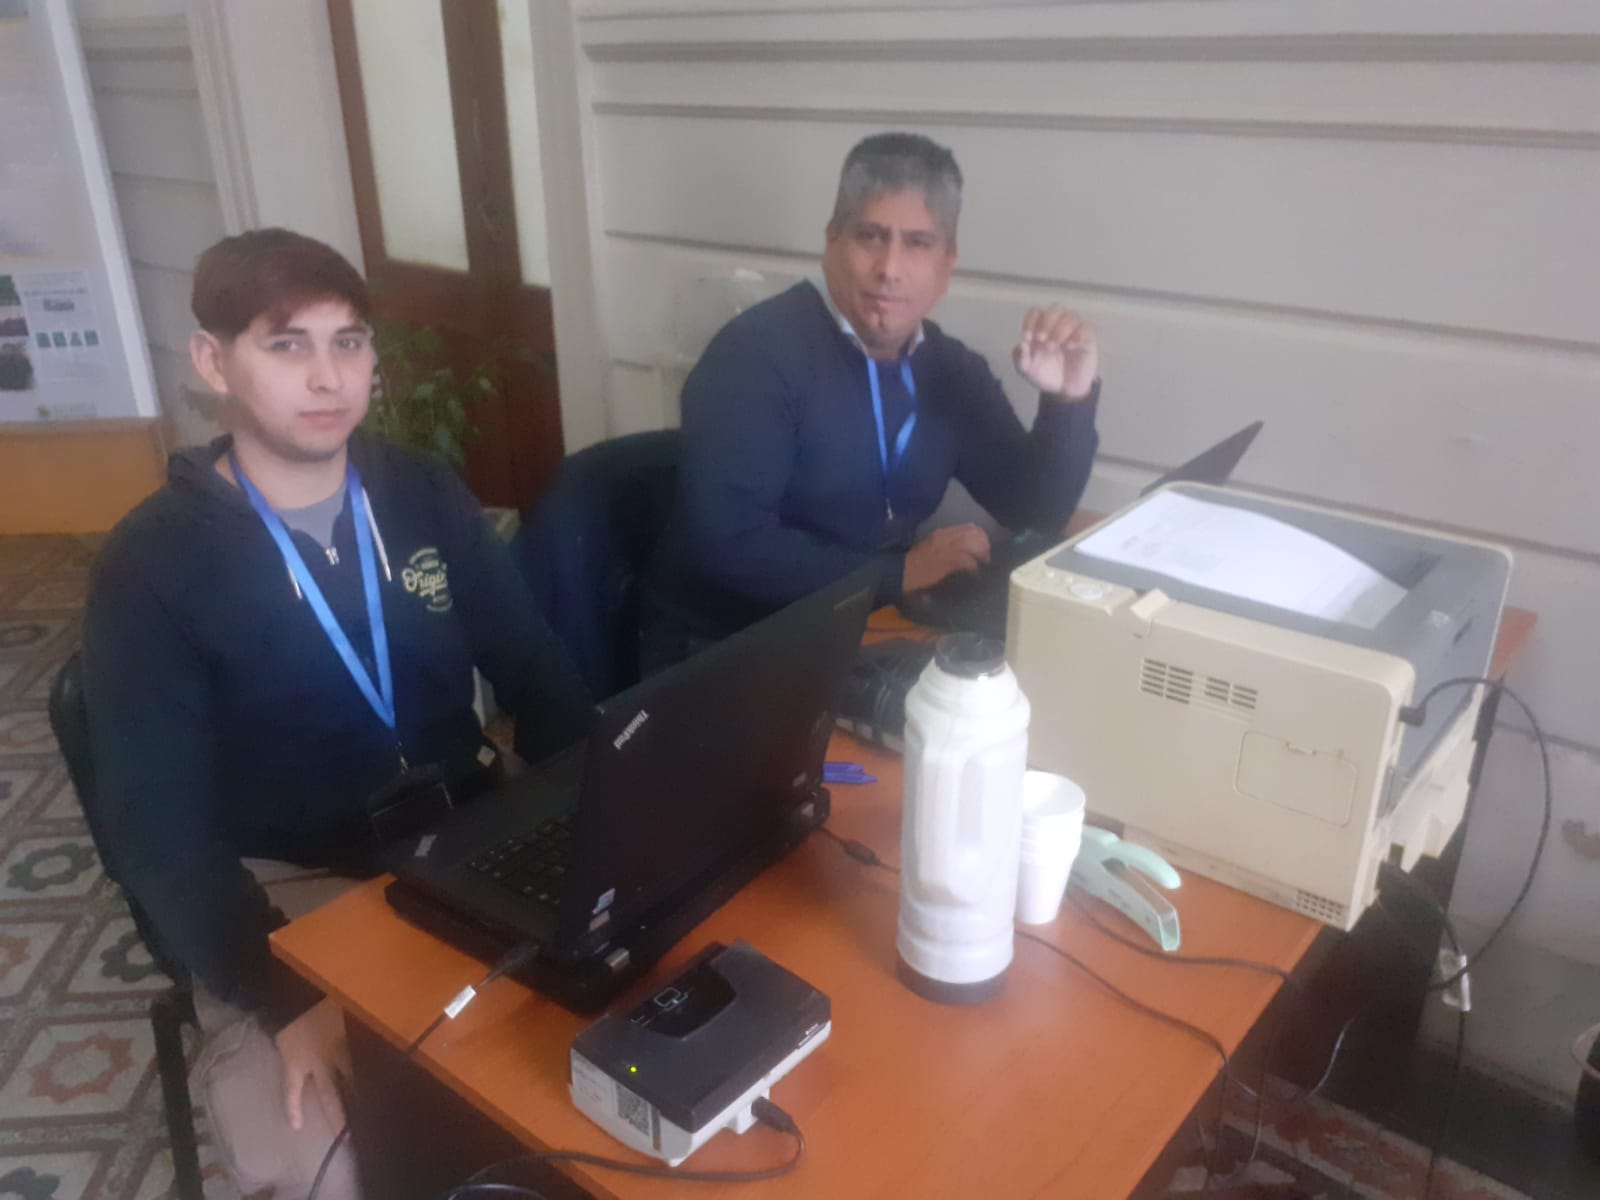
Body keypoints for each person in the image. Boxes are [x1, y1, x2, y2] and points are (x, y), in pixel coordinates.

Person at [81, 229, 592, 1198]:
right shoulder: (152, 566)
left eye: (348, 342)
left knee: (593, 1058)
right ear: (213, 362)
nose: (328, 377)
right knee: (333, 1162)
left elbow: (537, 674)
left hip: (463, 833)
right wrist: (281, 996)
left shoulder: (420, 494)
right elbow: (156, 832)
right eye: (288, 345)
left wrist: (603, 807)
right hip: (290, 881)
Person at [644, 131, 1102, 663]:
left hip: (857, 625)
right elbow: (727, 545)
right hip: (724, 648)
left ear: (947, 264)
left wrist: (1069, 401)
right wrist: (898, 573)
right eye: (870, 236)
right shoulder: (754, 357)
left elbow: (1036, 509)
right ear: (832, 240)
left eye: (918, 243)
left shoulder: (950, 369)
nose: (889, 268)